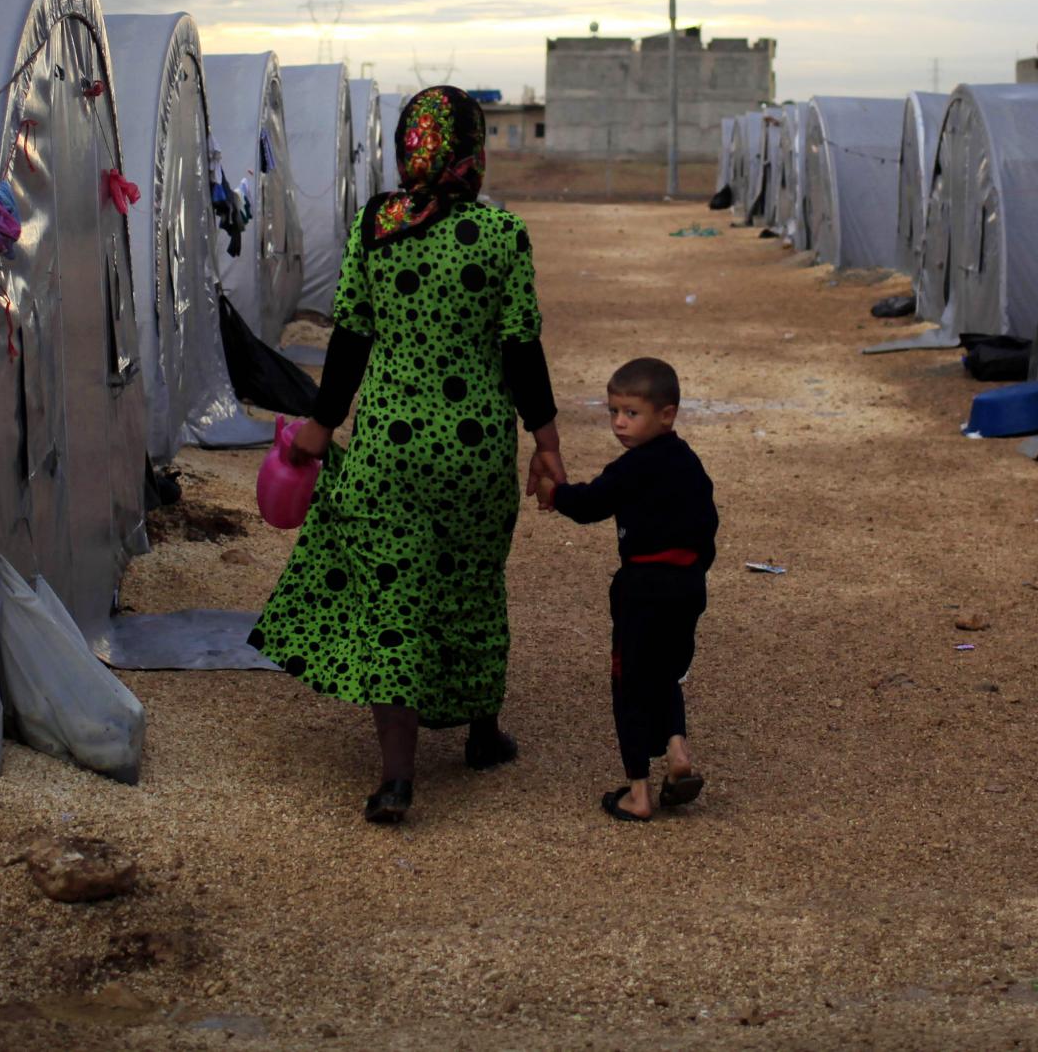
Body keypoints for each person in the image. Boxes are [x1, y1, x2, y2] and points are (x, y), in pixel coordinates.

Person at [249, 87, 565, 823]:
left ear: (406, 148)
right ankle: (482, 735)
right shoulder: (502, 234)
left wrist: (319, 431)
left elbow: (350, 339)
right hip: (477, 448)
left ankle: (397, 778)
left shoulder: (377, 227)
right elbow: (522, 349)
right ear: (474, 148)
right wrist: (547, 441)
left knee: (393, 593)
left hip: (390, 447)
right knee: (473, 583)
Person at [534, 356, 716, 822]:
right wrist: (693, 576)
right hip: (687, 587)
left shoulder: (630, 468)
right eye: (613, 411)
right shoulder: (691, 465)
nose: (619, 423)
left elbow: (590, 504)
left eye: (631, 413)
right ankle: (677, 750)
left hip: (642, 590)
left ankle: (638, 793)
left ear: (666, 414)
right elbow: (707, 528)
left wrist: (554, 492)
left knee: (630, 684)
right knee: (667, 673)